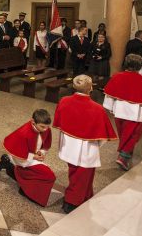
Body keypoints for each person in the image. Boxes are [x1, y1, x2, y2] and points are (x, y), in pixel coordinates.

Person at [53, 75, 118, 213]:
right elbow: (103, 136)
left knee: (75, 172)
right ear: (91, 88)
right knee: (81, 176)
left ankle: (86, 195)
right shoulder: (97, 109)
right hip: (87, 149)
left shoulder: (64, 101)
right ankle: (71, 202)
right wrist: (96, 146)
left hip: (67, 146)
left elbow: (60, 124)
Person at [103, 54, 142, 171]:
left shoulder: (117, 77)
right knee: (134, 135)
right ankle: (123, 156)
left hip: (119, 112)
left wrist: (110, 107)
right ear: (140, 66)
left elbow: (109, 96)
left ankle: (127, 153)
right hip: (136, 115)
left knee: (124, 135)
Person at [0, 109, 56, 206]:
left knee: (42, 175)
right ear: (33, 122)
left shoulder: (45, 129)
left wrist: (41, 152)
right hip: (23, 159)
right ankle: (25, 189)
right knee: (48, 175)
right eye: (42, 127)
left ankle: (9, 166)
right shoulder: (23, 133)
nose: (45, 130)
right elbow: (19, 153)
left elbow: (45, 144)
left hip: (33, 157)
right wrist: (34, 156)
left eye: (47, 127)